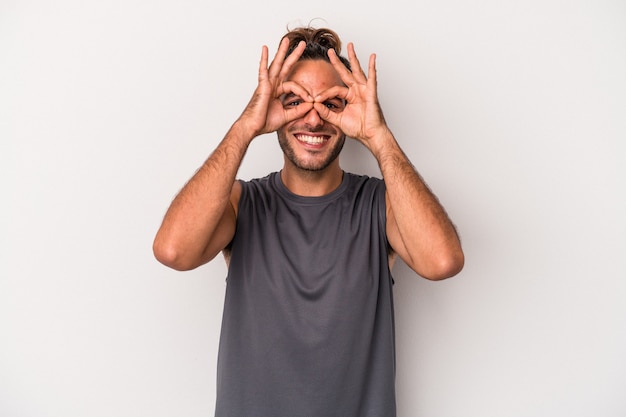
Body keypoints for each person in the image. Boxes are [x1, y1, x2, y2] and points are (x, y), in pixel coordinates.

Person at [153, 26, 464, 417]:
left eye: (331, 104)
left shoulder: (380, 206)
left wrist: (379, 136)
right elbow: (173, 250)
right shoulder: (241, 202)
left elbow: (443, 262)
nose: (313, 119)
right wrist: (245, 126)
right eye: (295, 100)